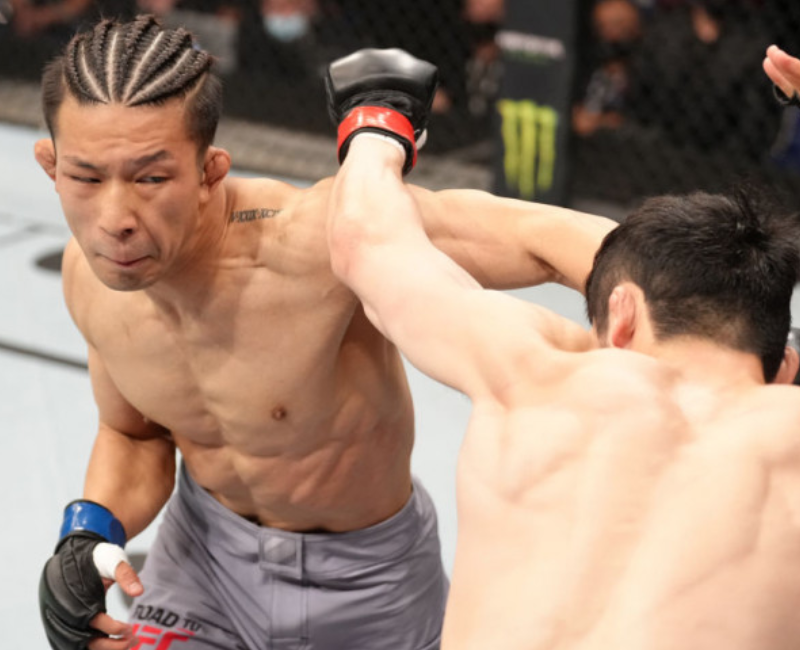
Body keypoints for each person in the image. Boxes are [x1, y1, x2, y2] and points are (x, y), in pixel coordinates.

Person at [34, 17, 613, 650]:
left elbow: (544, 239)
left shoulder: (312, 239)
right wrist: (89, 529)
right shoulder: (88, 278)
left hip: (369, 582)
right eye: (86, 178)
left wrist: (676, 331)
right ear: (50, 166)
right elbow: (134, 432)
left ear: (210, 172)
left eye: (150, 179)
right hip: (202, 564)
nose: (114, 219)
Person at [326, 51, 800, 649]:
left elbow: (365, 239)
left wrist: (377, 115)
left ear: (621, 316)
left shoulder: (535, 377)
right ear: (785, 368)